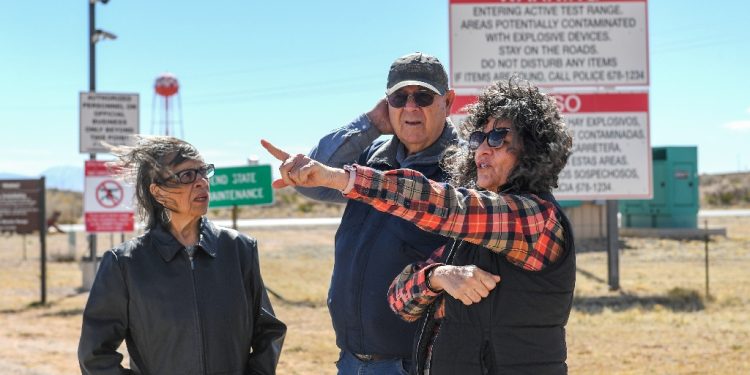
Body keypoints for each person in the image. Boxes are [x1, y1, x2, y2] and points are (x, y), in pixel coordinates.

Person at [263, 78, 575, 374]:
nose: (481, 148)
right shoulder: (473, 233)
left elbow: (441, 204)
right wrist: (438, 276)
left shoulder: (535, 219)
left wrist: (338, 178)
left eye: (498, 138)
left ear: (531, 148)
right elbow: (400, 299)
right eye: (479, 137)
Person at [290, 52, 459, 374]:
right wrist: (369, 125)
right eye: (399, 97)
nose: (410, 107)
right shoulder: (369, 158)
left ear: (448, 102)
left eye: (423, 96)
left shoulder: (460, 170)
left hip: (417, 361)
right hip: (352, 358)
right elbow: (310, 185)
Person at [78, 136, 286, 375]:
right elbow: (94, 356)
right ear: (158, 191)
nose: (202, 182)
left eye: (203, 172)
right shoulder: (125, 264)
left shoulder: (239, 249)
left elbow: (268, 332)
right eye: (187, 176)